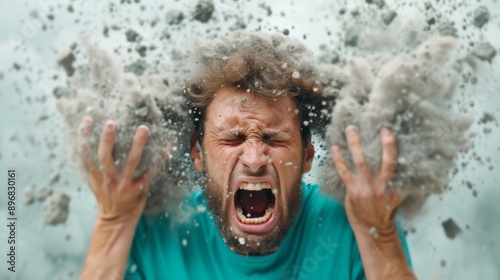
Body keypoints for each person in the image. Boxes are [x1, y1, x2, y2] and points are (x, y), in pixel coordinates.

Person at [79, 42, 416, 279]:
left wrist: (380, 234)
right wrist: (114, 221)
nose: (254, 159)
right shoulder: (151, 228)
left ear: (308, 154)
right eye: (233, 138)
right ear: (198, 152)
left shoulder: (358, 220)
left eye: (274, 139)